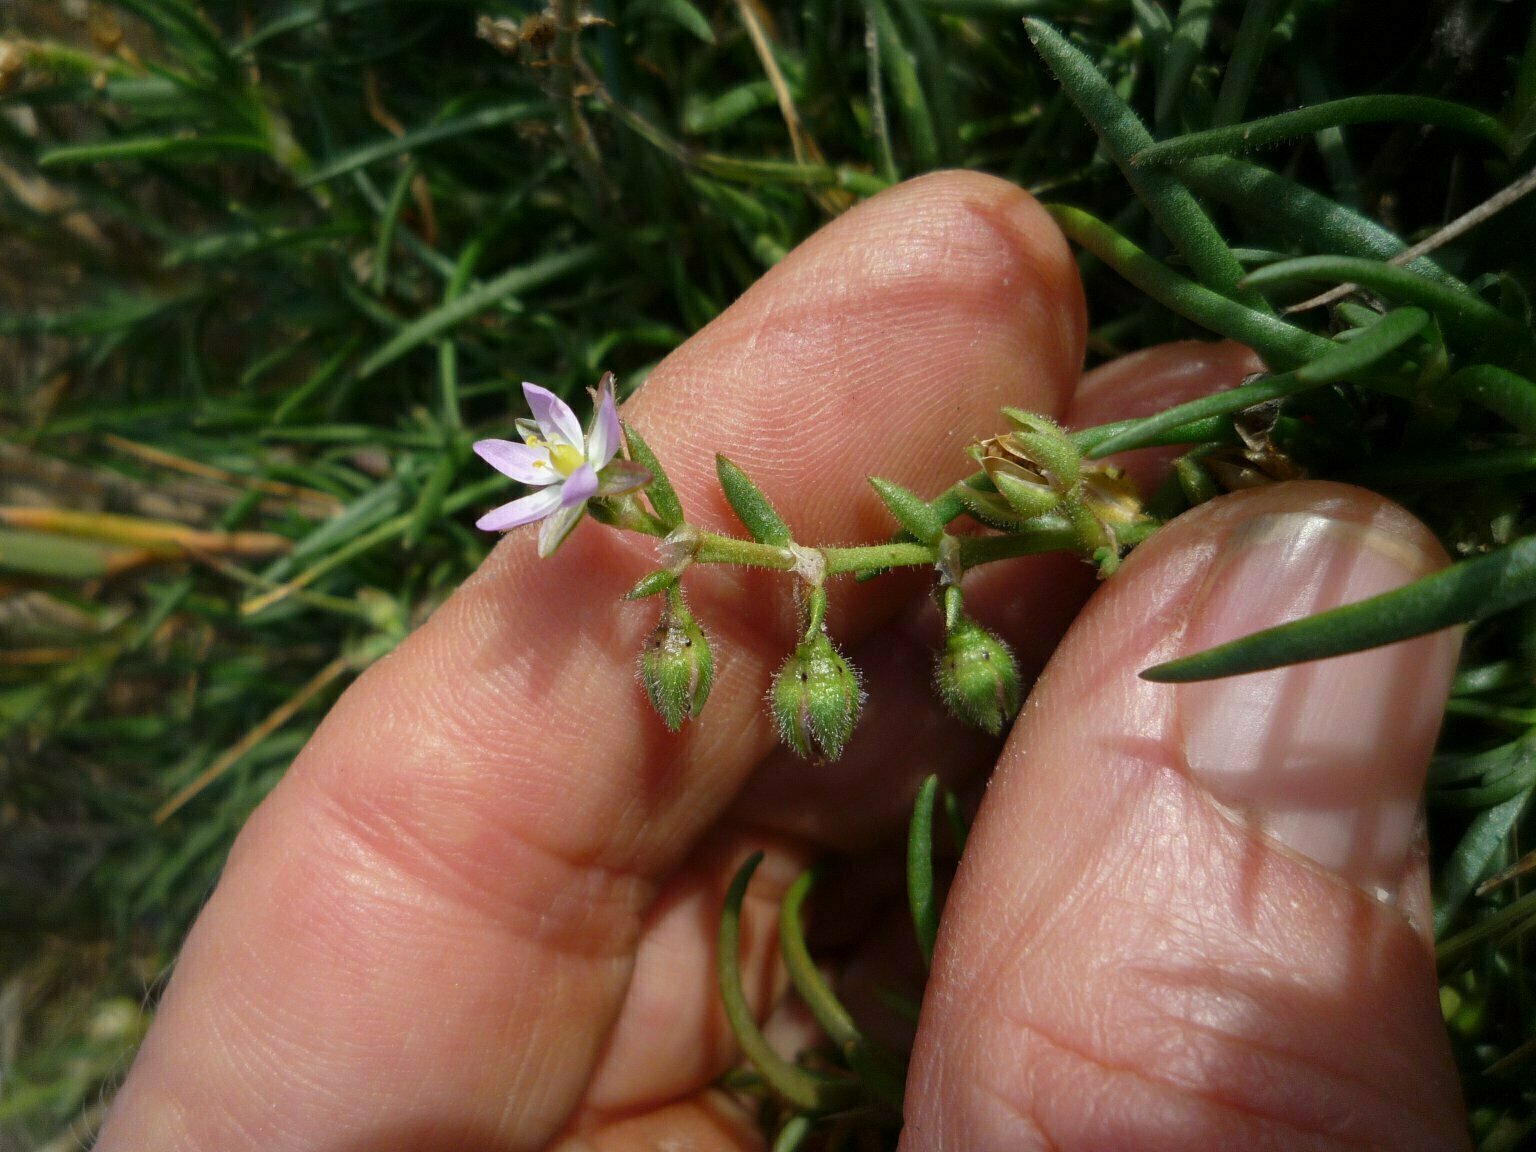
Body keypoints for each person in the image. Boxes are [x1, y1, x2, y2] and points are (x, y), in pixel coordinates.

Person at [91, 172, 1469, 1151]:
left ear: (597, 445)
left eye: (570, 454)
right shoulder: (626, 515)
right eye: (558, 465)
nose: (562, 465)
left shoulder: (627, 492)